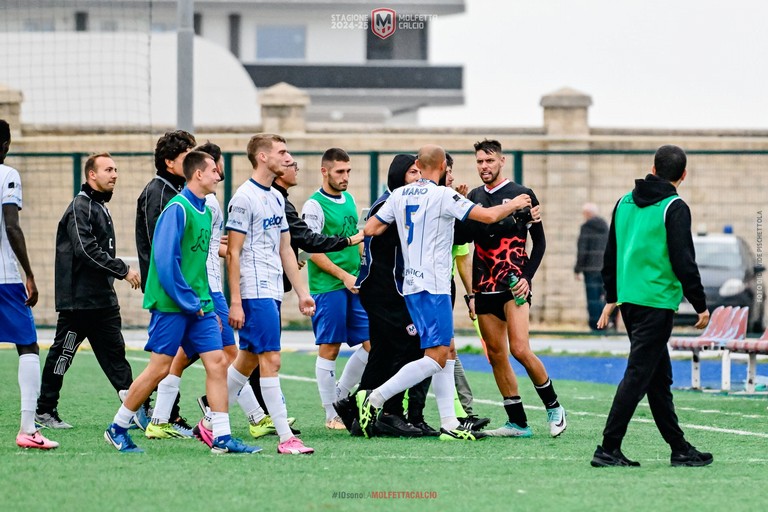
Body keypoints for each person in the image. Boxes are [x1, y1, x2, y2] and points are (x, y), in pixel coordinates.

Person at [360, 144, 532, 441]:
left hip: (410, 284)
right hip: (434, 286)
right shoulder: (442, 195)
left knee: (447, 350)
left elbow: (372, 227)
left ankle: (450, 423)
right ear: (441, 166)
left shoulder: (399, 194)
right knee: (436, 356)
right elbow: (489, 216)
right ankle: (374, 398)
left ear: (419, 164)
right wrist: (515, 203)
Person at [105, 150, 259, 454]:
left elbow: (197, 265)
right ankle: (118, 427)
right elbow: (165, 263)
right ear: (198, 175)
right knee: (159, 369)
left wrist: (207, 305)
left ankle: (222, 438)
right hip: (172, 305)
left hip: (199, 305)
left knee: (217, 363)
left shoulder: (205, 210)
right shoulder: (178, 208)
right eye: (214, 171)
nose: (219, 175)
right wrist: (189, 301)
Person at [591, 145, 712, 468]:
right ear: (682, 175)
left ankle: (679, 447)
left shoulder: (623, 202)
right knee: (638, 375)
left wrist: (612, 297)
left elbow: (610, 256)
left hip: (630, 302)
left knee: (658, 378)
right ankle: (608, 447)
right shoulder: (674, 206)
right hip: (657, 304)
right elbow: (683, 260)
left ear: (653, 168)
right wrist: (700, 304)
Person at [146, 141, 263, 440]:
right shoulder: (200, 203)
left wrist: (234, 248)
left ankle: (161, 419)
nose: (219, 173)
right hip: (207, 289)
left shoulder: (205, 203)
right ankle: (249, 417)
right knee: (227, 354)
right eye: (215, 166)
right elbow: (182, 254)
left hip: (204, 291)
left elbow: (208, 246)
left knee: (189, 358)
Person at [455, 139, 566, 438]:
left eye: (489, 161)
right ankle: (517, 422)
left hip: (515, 283)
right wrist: (458, 206)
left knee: (519, 348)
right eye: (479, 161)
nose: (484, 166)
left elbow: (540, 243)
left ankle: (554, 406)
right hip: (484, 285)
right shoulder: (473, 196)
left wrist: (528, 277)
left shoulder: (522, 194)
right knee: (496, 354)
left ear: (502, 161)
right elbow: (462, 238)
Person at [222, 133, 316, 455]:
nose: (288, 158)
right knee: (271, 360)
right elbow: (233, 253)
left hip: (273, 291)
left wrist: (302, 292)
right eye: (282, 152)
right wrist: (236, 300)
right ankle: (286, 437)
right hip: (254, 291)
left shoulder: (276, 197)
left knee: (246, 362)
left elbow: (286, 248)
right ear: (262, 157)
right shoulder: (243, 197)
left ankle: (209, 422)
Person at [36, 153, 142, 429]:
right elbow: (85, 250)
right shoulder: (79, 206)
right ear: (91, 175)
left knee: (116, 355)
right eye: (108, 169)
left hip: (103, 301)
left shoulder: (100, 207)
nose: (115, 174)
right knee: (63, 354)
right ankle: (45, 410)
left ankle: (134, 410)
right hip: (79, 303)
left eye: (116, 169)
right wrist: (123, 269)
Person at [340, 154, 428, 438]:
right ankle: (390, 412)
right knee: (412, 343)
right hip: (383, 291)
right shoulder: (392, 202)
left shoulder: (399, 199)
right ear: (399, 174)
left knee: (382, 351)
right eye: (413, 172)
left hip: (383, 290)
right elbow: (371, 236)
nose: (418, 177)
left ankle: (356, 410)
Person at [301, 148, 370, 429]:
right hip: (328, 286)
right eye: (340, 171)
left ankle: (340, 395)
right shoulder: (314, 206)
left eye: (348, 171)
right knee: (330, 348)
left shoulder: (350, 199)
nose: (345, 177)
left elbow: (356, 239)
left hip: (354, 283)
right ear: (324, 171)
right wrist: (342, 275)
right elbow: (310, 248)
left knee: (371, 345)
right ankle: (331, 414)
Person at [0, 119, 58, 450]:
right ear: (6, 145)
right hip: (5, 279)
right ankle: (27, 429)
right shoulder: (8, 175)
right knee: (28, 346)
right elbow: (12, 225)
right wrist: (30, 274)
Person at [134, 130, 197, 435]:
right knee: (166, 358)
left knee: (196, 352)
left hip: (180, 289)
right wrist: (180, 291)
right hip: (169, 292)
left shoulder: (177, 191)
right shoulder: (161, 194)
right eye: (188, 157)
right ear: (170, 162)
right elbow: (163, 251)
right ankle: (139, 412)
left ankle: (163, 413)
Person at [574, 202, 612, 330]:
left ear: (587, 214)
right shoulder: (605, 226)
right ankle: (605, 323)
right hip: (605, 267)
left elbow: (582, 250)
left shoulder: (586, 227)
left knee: (592, 298)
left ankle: (595, 325)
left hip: (591, 268)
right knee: (604, 297)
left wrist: (577, 269)